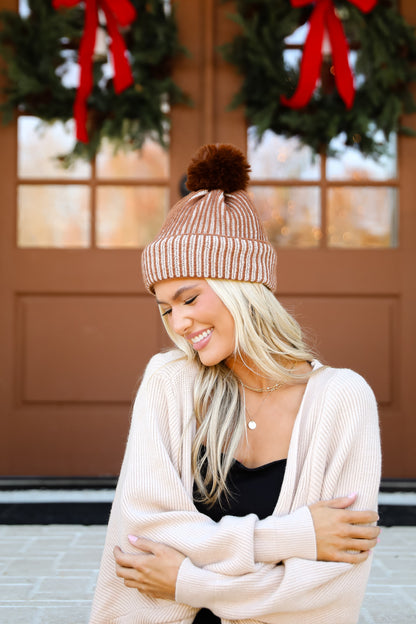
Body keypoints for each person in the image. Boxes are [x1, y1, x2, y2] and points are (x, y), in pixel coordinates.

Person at [89, 143, 381, 624]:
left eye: (189, 297)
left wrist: (187, 581)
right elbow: (144, 533)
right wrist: (297, 535)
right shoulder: (169, 382)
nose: (178, 323)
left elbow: (333, 586)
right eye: (165, 308)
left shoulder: (344, 400)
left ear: (241, 287)